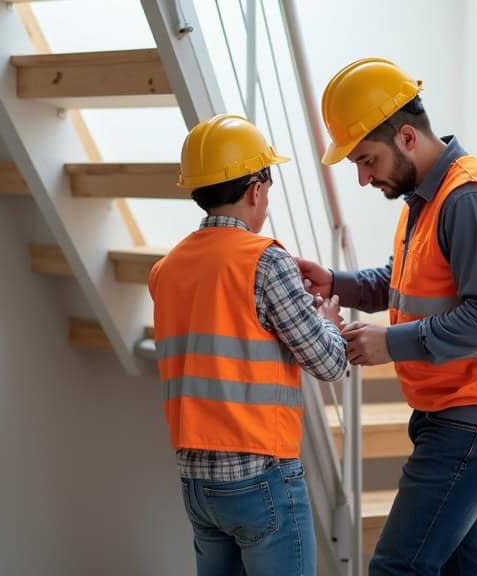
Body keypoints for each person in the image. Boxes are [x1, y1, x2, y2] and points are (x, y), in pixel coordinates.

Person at [296, 58, 477, 575]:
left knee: (396, 568)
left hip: (476, 416)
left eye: (367, 160)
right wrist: (335, 281)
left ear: (406, 136)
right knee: (455, 565)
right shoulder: (425, 197)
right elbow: (402, 280)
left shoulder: (469, 199)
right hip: (451, 412)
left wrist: (391, 343)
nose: (363, 179)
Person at [148, 113, 347, 576]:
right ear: (256, 189)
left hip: (198, 484)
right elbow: (329, 361)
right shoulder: (264, 260)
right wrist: (327, 321)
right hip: (262, 476)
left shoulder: (166, 270)